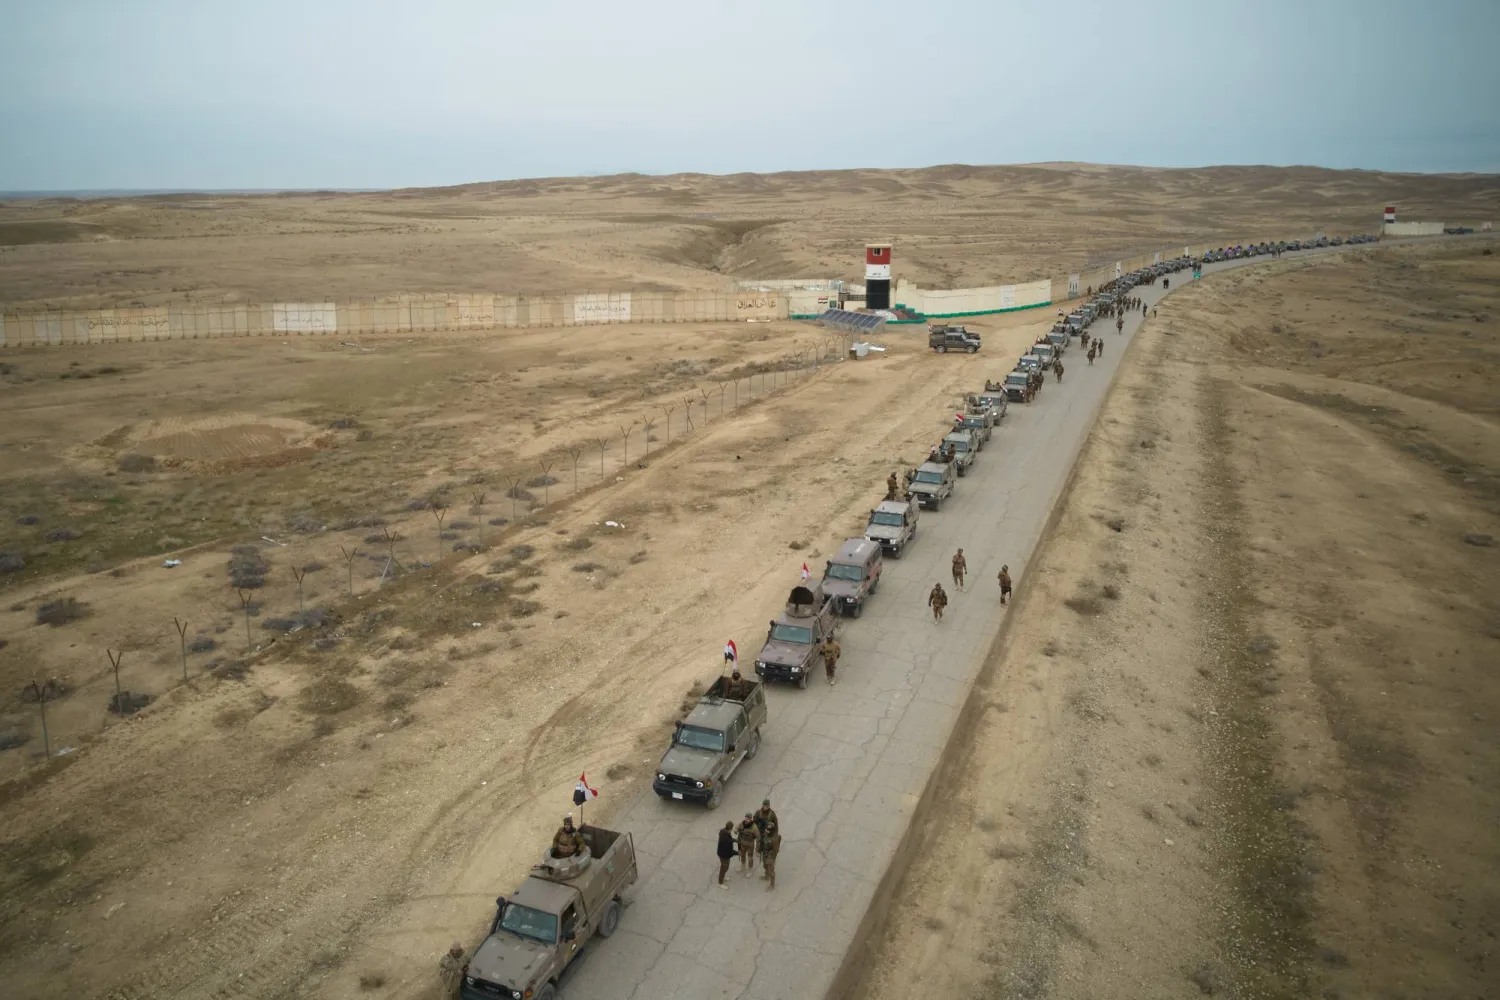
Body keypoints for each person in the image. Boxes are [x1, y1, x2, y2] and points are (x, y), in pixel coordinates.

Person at [759, 821, 782, 891]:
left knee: (770, 870)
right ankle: (766, 876)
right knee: (764, 866)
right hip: (765, 853)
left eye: (768, 830)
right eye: (766, 829)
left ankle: (772, 884)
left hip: (770, 856)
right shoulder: (765, 834)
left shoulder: (774, 839)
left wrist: (772, 859)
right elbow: (762, 842)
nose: (766, 831)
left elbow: (775, 851)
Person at [716, 821, 737, 889]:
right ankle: (720, 883)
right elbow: (730, 851)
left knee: (723, 867)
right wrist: (737, 853)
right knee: (724, 868)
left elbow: (729, 839)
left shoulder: (723, 832)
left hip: (721, 853)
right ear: (731, 828)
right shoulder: (727, 839)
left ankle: (723, 877)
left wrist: (735, 840)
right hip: (724, 856)